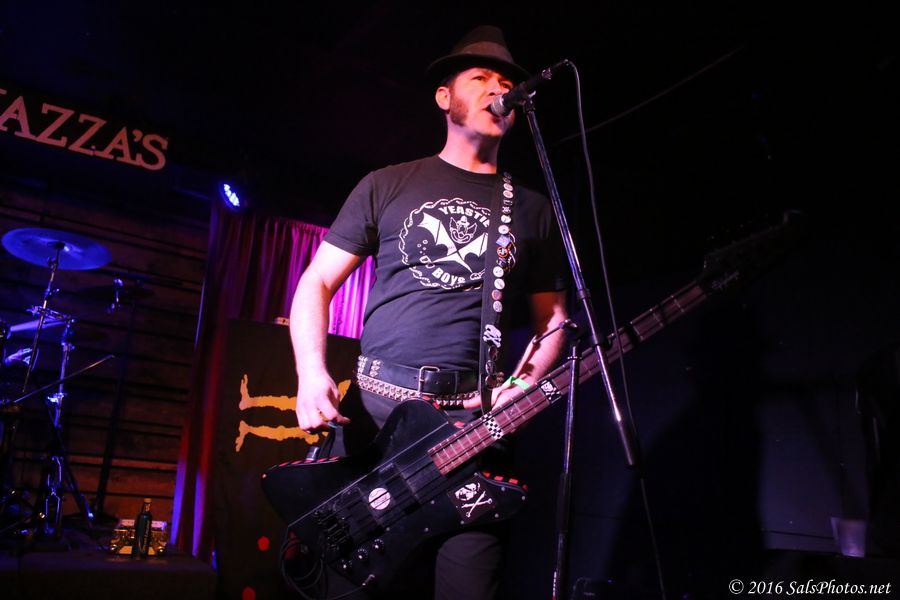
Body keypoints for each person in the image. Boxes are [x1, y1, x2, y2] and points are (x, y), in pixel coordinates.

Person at [289, 25, 569, 599]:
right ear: (445, 97)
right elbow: (316, 282)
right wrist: (311, 373)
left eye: (507, 82)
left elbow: (554, 321)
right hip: (377, 418)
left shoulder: (533, 209)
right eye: (481, 77)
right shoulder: (387, 184)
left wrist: (524, 384)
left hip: (473, 429)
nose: (499, 89)